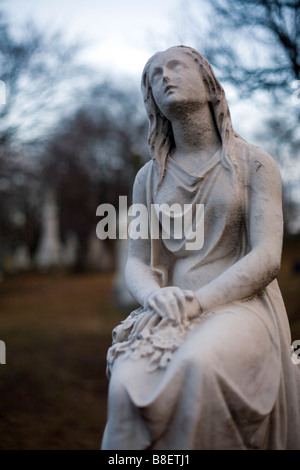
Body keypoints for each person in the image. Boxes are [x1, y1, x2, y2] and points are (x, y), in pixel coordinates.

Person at [101, 45, 300, 450]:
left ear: (209, 84)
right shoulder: (148, 178)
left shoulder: (255, 164)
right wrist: (158, 298)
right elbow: (138, 262)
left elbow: (266, 258)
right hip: (169, 307)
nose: (164, 76)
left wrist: (200, 301)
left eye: (176, 66)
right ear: (151, 100)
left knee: (199, 365)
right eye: (154, 75)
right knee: (124, 385)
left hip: (237, 304)